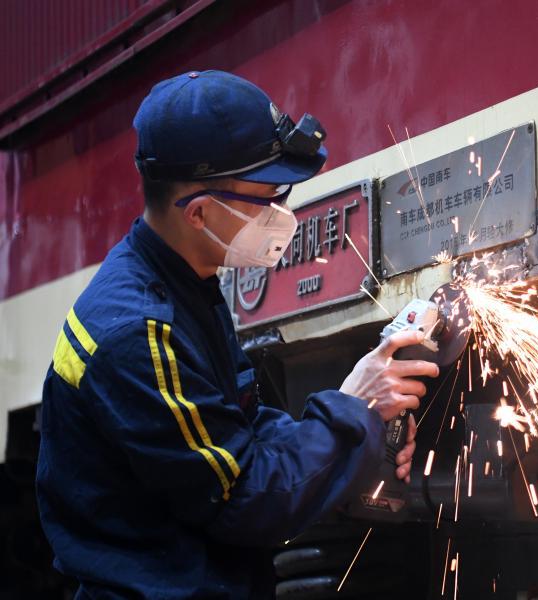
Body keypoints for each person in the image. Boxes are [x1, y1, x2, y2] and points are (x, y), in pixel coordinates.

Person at [35, 70, 438, 598]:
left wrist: (349, 455)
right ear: (199, 212)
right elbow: (244, 498)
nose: (281, 214)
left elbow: (237, 430)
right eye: (265, 197)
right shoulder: (140, 333)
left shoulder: (184, 282)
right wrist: (351, 407)